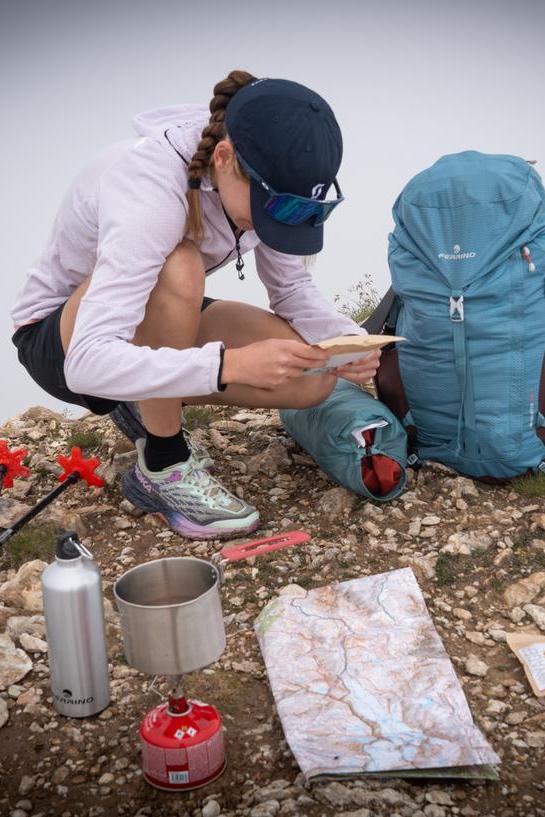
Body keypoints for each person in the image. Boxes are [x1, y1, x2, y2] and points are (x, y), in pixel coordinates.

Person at [11, 70, 380, 540]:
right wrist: (230, 365)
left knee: (312, 379)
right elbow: (86, 363)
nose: (280, 223)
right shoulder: (149, 190)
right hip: (64, 340)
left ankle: (144, 396)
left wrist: (347, 341)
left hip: (152, 309)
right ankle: (162, 465)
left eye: (301, 211)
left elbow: (292, 291)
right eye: (274, 208)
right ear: (224, 158)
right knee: (180, 265)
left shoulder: (261, 167)